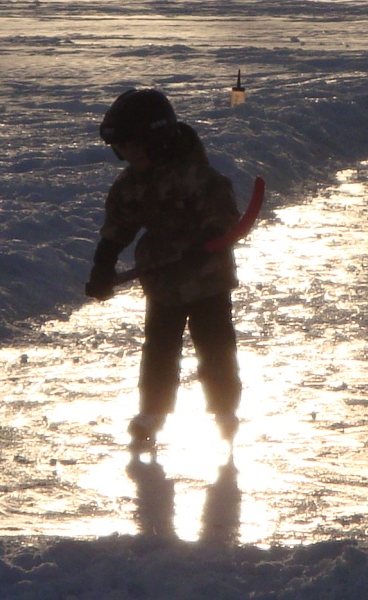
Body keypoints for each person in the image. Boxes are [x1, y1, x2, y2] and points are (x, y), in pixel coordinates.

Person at [85, 89, 242, 448]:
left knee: (214, 345)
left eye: (136, 148)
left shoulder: (198, 177)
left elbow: (224, 220)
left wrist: (204, 247)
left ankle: (224, 409)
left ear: (158, 140)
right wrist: (103, 265)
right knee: (159, 347)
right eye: (123, 150)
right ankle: (152, 412)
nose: (130, 156)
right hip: (162, 281)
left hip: (207, 281)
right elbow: (117, 228)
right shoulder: (130, 186)